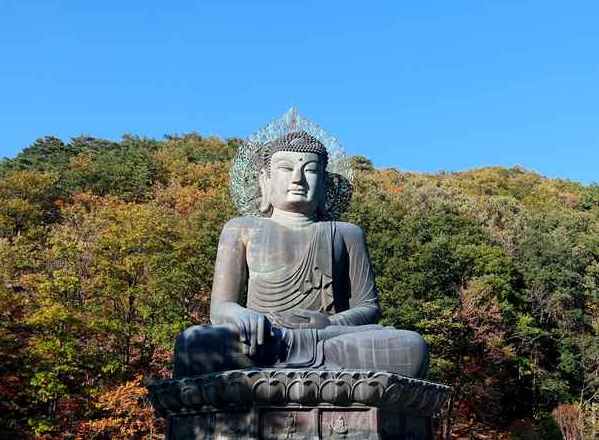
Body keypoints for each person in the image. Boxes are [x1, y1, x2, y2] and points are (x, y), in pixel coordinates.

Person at [173, 130, 429, 379]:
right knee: (192, 344)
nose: (298, 179)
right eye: (285, 169)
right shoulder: (241, 228)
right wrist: (242, 315)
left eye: (310, 170)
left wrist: (330, 324)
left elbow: (368, 307)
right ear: (265, 179)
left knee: (411, 346)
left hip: (328, 338)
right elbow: (220, 308)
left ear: (325, 183)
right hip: (265, 340)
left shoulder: (345, 233)